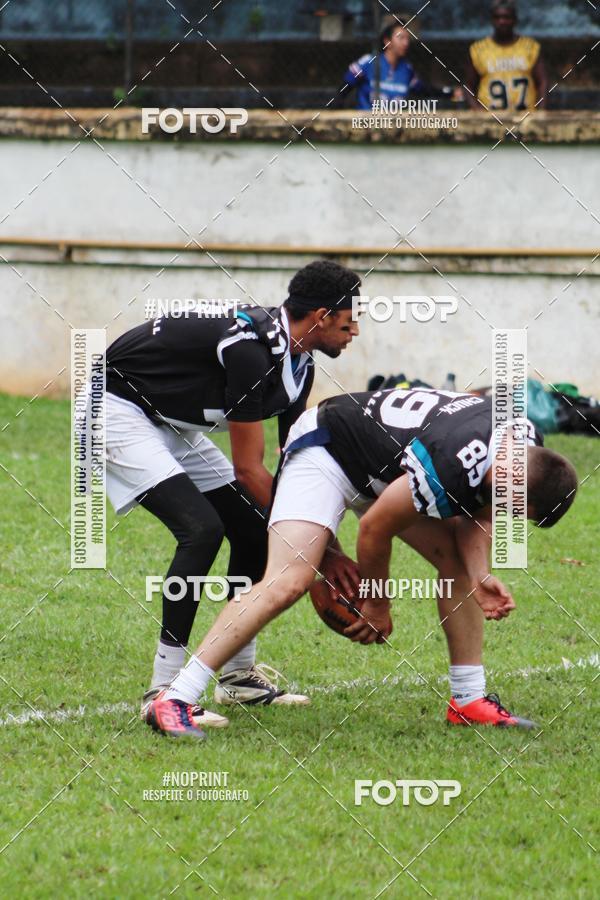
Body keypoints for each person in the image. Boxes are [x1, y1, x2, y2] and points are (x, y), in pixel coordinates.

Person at [146, 387, 578, 738]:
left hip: (388, 463)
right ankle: (175, 696)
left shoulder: (520, 450)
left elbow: (474, 515)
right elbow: (374, 528)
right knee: (289, 578)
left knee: (461, 571)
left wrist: (481, 573)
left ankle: (468, 701)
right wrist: (377, 603)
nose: (505, 516)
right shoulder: (453, 462)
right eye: (515, 509)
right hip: (328, 447)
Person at [104, 260, 361, 726]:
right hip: (119, 409)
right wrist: (323, 554)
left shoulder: (298, 362)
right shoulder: (250, 350)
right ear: (321, 316)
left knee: (249, 528)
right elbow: (248, 469)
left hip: (171, 423)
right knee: (201, 529)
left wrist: (324, 545)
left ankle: (239, 677)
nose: (355, 331)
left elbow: (293, 467)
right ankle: (162, 688)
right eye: (348, 321)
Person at [465, 0, 548, 112]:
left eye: (506, 17)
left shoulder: (530, 48)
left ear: (515, 20)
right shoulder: (478, 50)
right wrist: (478, 111)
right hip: (490, 120)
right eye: (497, 17)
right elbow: (469, 86)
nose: (502, 21)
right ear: (492, 20)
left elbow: (542, 82)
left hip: (525, 119)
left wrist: (540, 112)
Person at [344, 21, 425, 111]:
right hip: (366, 122)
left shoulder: (407, 69)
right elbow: (345, 87)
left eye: (407, 39)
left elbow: (423, 91)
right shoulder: (369, 62)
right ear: (387, 41)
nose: (406, 43)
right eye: (401, 38)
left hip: (393, 123)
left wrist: (443, 91)